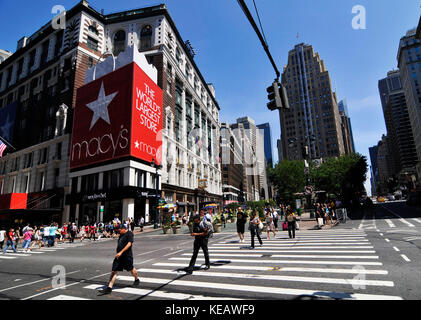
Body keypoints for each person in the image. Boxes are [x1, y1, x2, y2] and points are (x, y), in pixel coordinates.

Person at [98, 224, 139, 294]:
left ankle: (136, 279)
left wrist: (121, 252)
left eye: (119, 230)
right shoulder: (121, 234)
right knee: (114, 271)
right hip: (118, 257)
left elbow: (129, 244)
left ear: (123, 228)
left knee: (131, 269)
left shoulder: (129, 233)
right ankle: (109, 288)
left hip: (127, 256)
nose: (118, 232)